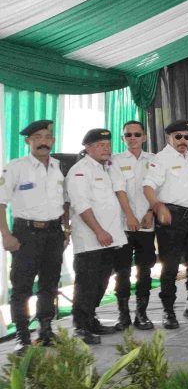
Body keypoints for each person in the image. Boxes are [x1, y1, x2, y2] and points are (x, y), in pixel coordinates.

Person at [0, 120, 68, 352]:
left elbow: (65, 202)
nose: (43, 142)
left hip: (54, 234)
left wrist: (66, 229)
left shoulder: (59, 166)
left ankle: (46, 330)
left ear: (53, 141)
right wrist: (6, 235)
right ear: (28, 141)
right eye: (37, 138)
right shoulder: (15, 167)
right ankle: (22, 336)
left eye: (47, 137)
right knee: (22, 286)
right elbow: (1, 203)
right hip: (26, 234)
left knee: (49, 283)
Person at [143, 120, 188, 329]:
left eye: (187, 136)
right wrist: (156, 206)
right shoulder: (161, 159)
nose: (183, 140)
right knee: (170, 266)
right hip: (172, 218)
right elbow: (148, 186)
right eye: (178, 136)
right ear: (168, 138)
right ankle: (168, 311)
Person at [66, 129, 127, 344]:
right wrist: (99, 231)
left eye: (108, 144)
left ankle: (91, 320)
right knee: (87, 284)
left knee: (101, 283)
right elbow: (81, 204)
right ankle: (80, 327)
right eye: (100, 145)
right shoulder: (80, 171)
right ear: (88, 148)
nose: (106, 148)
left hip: (108, 239)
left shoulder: (107, 168)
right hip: (91, 239)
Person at [110, 120, 156, 331]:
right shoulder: (115, 160)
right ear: (123, 138)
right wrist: (129, 216)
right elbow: (119, 190)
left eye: (137, 134)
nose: (133, 138)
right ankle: (123, 315)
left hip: (147, 224)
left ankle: (141, 314)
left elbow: (158, 190)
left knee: (145, 271)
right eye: (128, 135)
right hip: (123, 225)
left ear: (144, 137)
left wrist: (150, 212)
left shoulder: (154, 160)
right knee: (122, 271)